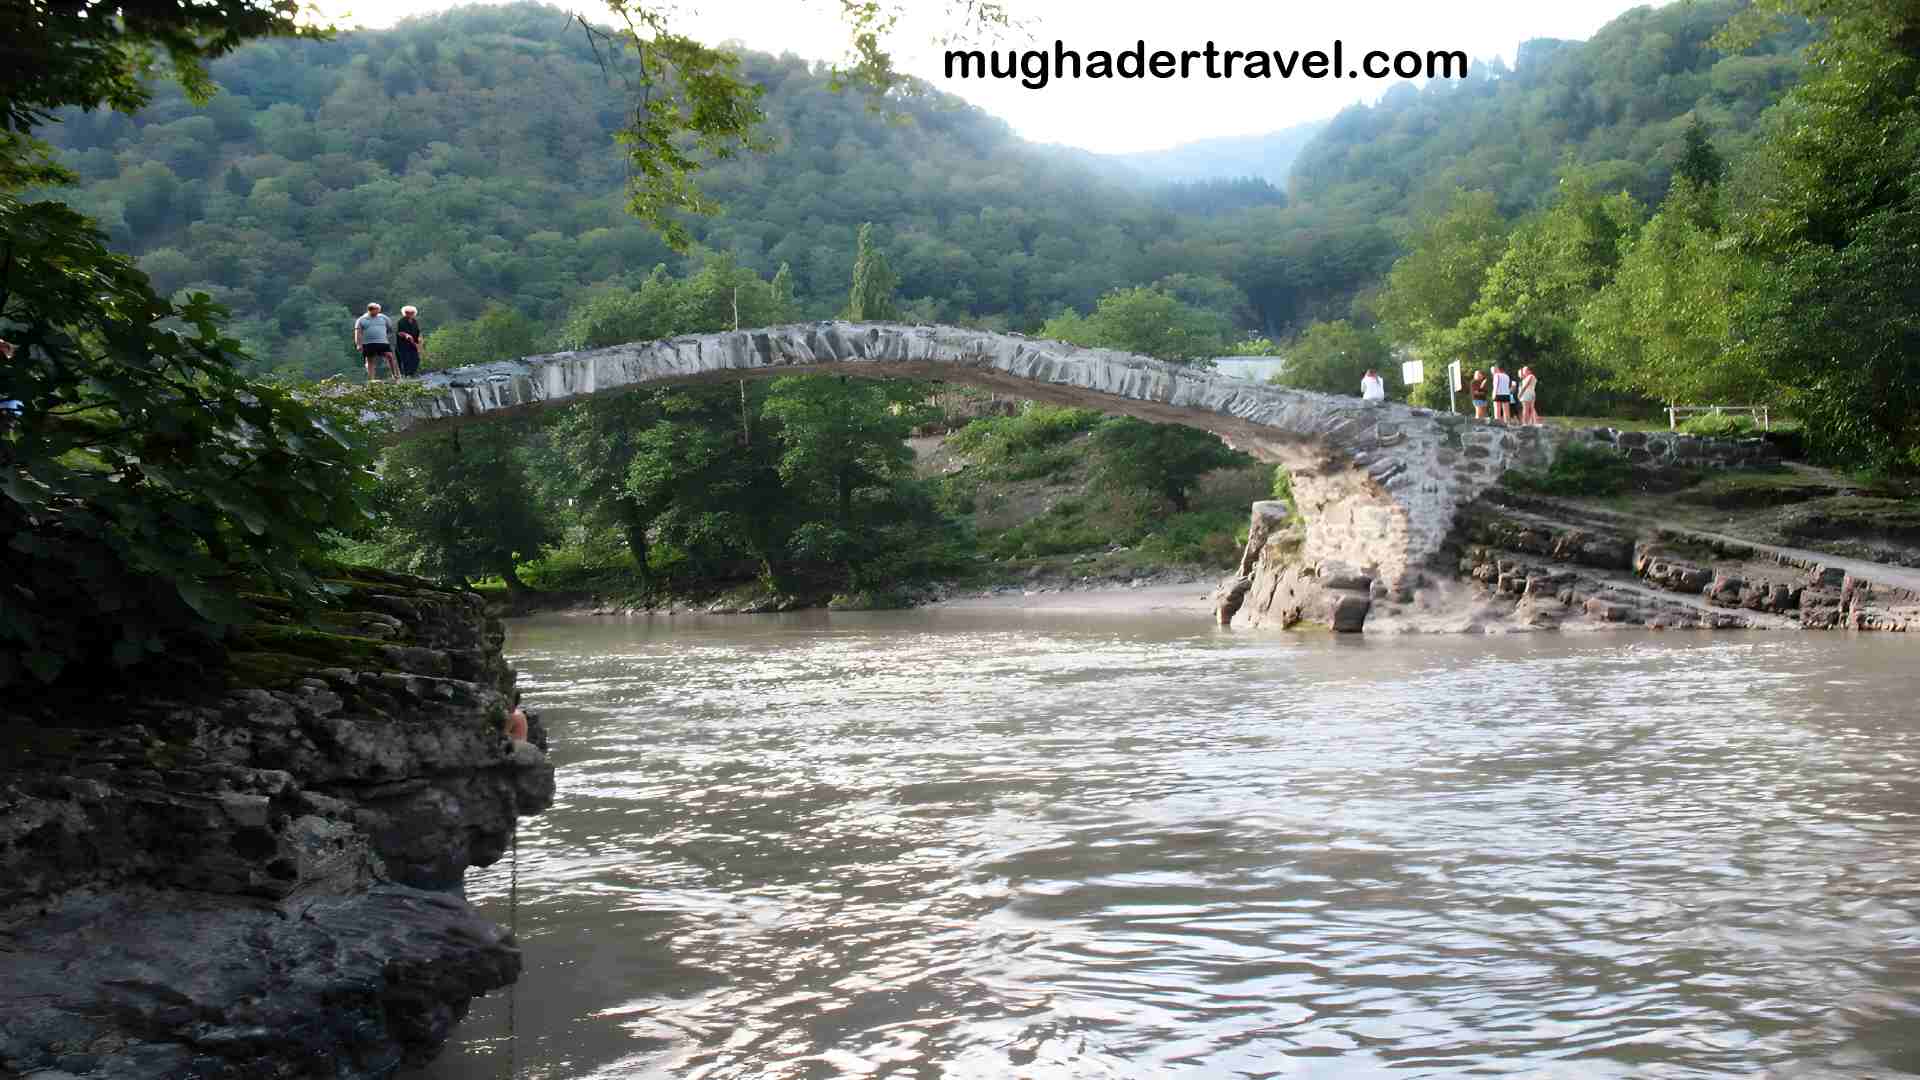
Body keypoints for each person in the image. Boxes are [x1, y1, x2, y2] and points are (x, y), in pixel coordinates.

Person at [353, 301, 399, 382]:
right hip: (368, 343)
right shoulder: (361, 320)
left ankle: (395, 375)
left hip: (383, 342)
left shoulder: (384, 318)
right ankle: (371, 379)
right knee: (370, 360)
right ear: (370, 310)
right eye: (376, 310)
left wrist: (386, 336)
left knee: (390, 356)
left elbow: (390, 329)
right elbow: (358, 333)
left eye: (378, 310)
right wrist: (358, 344)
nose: (378, 312)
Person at [394, 305, 423, 378]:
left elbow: (418, 332)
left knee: (416, 359)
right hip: (403, 345)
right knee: (405, 360)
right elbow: (399, 332)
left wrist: (419, 339)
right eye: (408, 312)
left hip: (413, 344)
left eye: (412, 313)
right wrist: (406, 335)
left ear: (414, 313)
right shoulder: (401, 321)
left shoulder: (414, 321)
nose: (410, 314)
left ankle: (413, 374)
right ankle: (406, 375)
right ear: (405, 313)